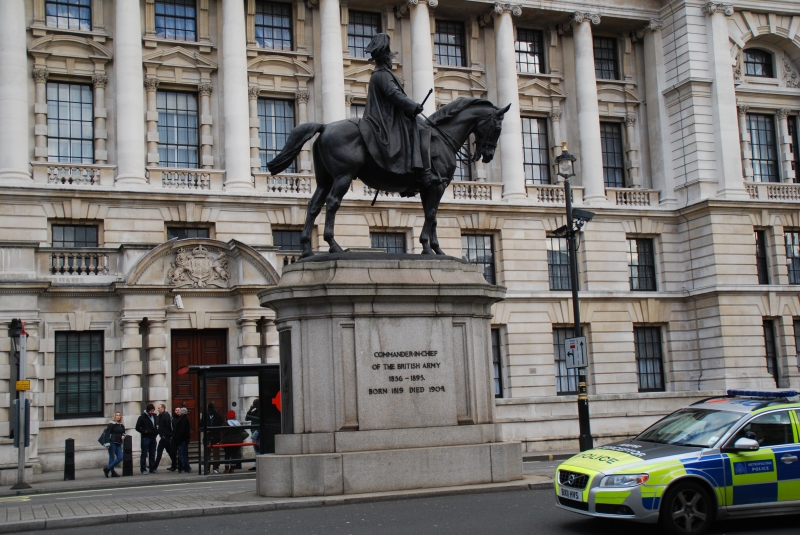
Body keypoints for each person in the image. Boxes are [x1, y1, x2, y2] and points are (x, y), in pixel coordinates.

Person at [358, 33, 434, 188]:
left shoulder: (378, 74)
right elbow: (394, 95)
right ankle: (425, 173)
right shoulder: (383, 75)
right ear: (386, 57)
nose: (391, 59)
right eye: (390, 57)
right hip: (386, 119)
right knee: (423, 129)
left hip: (385, 116)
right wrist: (413, 106)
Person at [135, 403, 157, 474]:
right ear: (148, 410)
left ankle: (152, 468)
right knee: (144, 454)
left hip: (153, 437)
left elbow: (156, 425)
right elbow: (137, 427)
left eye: (153, 410)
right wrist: (145, 431)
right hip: (146, 438)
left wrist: (156, 432)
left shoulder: (155, 416)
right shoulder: (142, 417)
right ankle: (143, 469)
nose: (152, 412)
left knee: (152, 454)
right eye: (151, 410)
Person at [102, 411, 125, 478]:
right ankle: (112, 472)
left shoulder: (121, 425)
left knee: (120, 457)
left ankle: (107, 469)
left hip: (118, 442)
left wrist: (123, 435)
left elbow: (123, 432)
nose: (118, 416)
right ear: (114, 416)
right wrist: (107, 443)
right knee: (112, 457)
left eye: (119, 415)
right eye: (117, 415)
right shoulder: (111, 424)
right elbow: (107, 433)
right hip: (112, 442)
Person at [154, 403, 174, 471]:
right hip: (163, 436)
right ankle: (175, 464)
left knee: (159, 451)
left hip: (165, 437)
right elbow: (159, 427)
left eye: (159, 408)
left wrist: (165, 435)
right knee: (170, 451)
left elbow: (168, 426)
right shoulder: (160, 416)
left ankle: (155, 466)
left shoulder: (166, 416)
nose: (158, 409)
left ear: (162, 408)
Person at [206, 402, 224, 474]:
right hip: (208, 437)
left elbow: (221, 426)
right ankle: (207, 467)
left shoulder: (218, 416)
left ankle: (215, 467)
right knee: (207, 453)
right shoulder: (205, 416)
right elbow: (201, 424)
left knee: (216, 453)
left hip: (215, 437)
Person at [245, 399, 260, 471]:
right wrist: (250, 410)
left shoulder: (259, 412)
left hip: (258, 432)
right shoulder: (254, 412)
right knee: (256, 449)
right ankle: (256, 464)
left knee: (257, 449)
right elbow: (247, 418)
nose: (254, 404)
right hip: (254, 431)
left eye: (255, 403)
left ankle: (257, 464)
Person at [174, 407, 191, 473]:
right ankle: (185, 467)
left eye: (180, 411)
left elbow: (181, 430)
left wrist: (178, 437)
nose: (179, 412)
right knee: (182, 454)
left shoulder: (184, 420)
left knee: (182, 454)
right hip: (182, 439)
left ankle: (186, 467)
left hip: (182, 440)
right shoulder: (182, 419)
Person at [168, 406, 182, 472]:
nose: (177, 411)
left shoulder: (182, 419)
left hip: (180, 438)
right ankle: (174, 466)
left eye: (178, 410)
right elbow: (170, 427)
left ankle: (180, 466)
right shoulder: (172, 419)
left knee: (180, 453)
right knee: (173, 453)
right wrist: (171, 435)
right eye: (176, 410)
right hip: (174, 438)